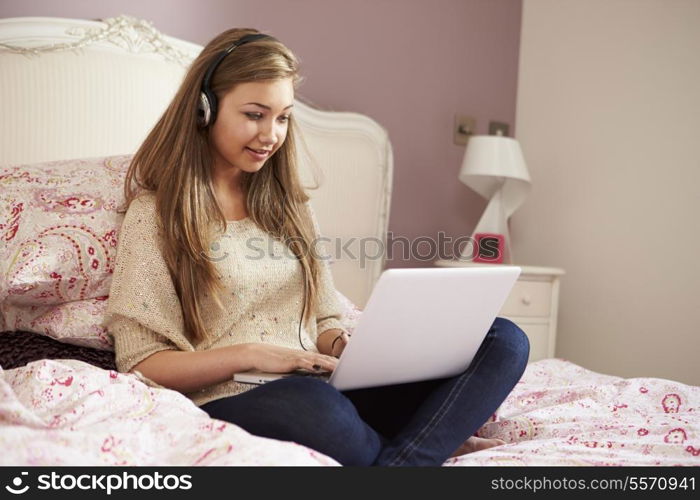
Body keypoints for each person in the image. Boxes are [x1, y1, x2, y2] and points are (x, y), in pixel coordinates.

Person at [104, 28, 530, 466]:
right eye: (254, 114)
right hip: (237, 400)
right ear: (204, 109)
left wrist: (349, 348)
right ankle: (424, 447)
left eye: (283, 117)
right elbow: (144, 362)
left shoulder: (289, 208)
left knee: (504, 339)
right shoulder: (155, 213)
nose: (271, 135)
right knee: (314, 408)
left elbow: (325, 318)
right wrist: (254, 354)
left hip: (326, 386)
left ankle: (399, 457)